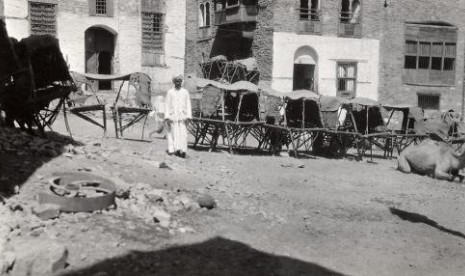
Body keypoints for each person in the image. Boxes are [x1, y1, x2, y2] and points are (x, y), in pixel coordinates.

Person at [164, 74, 192, 158]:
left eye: (179, 81)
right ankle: (172, 150)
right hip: (173, 116)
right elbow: (167, 105)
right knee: (172, 133)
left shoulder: (185, 92)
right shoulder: (170, 92)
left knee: (183, 134)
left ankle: (183, 151)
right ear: (174, 82)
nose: (178, 83)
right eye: (176, 81)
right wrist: (167, 117)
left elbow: (188, 104)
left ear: (181, 82)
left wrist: (188, 116)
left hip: (182, 116)